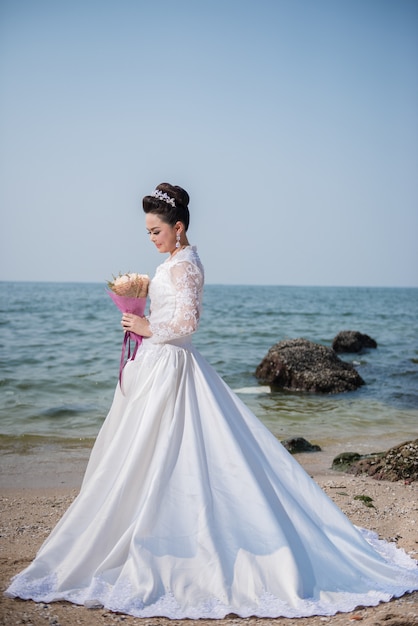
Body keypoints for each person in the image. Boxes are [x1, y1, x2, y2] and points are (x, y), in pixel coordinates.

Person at [6, 183, 418, 619]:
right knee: (143, 452)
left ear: (177, 227)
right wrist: (143, 320)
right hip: (158, 363)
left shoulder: (184, 264)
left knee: (176, 450)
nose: (151, 238)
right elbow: (172, 314)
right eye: (147, 232)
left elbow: (188, 321)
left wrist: (147, 327)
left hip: (172, 364)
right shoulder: (175, 261)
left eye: (155, 231)